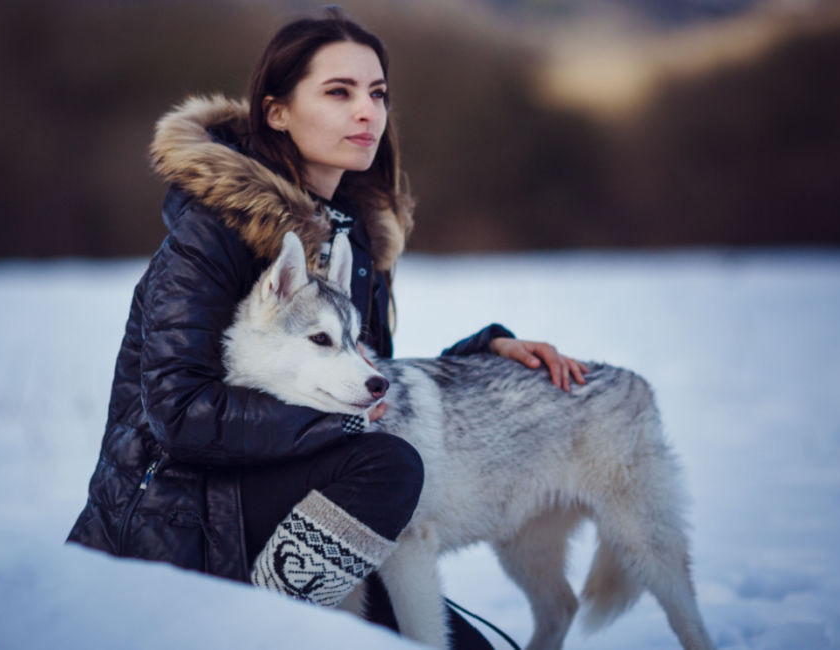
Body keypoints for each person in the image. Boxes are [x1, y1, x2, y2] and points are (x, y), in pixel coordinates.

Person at [67, 7, 588, 646]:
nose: (367, 112)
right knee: (387, 463)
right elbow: (177, 411)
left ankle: (316, 615)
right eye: (338, 93)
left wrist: (483, 352)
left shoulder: (352, 236)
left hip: (297, 499)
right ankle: (268, 627)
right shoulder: (211, 233)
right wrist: (334, 424)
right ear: (277, 111)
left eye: (377, 94)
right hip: (177, 510)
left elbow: (357, 372)